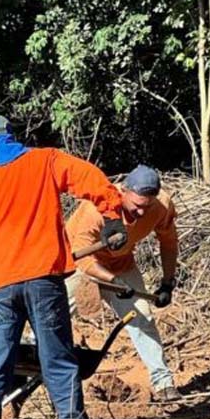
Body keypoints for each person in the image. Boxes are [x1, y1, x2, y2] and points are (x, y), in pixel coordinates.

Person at [0, 113, 127, 419]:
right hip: (43, 280)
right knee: (58, 360)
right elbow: (91, 178)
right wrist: (111, 216)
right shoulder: (45, 160)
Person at [64, 164, 181, 401]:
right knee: (54, 316)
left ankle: (164, 383)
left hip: (121, 265)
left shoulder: (160, 206)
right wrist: (114, 281)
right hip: (80, 267)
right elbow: (82, 257)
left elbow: (169, 243)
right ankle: (28, 366)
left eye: (146, 207)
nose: (140, 213)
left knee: (142, 319)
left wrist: (167, 283)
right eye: (136, 206)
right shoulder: (95, 210)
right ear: (123, 192)